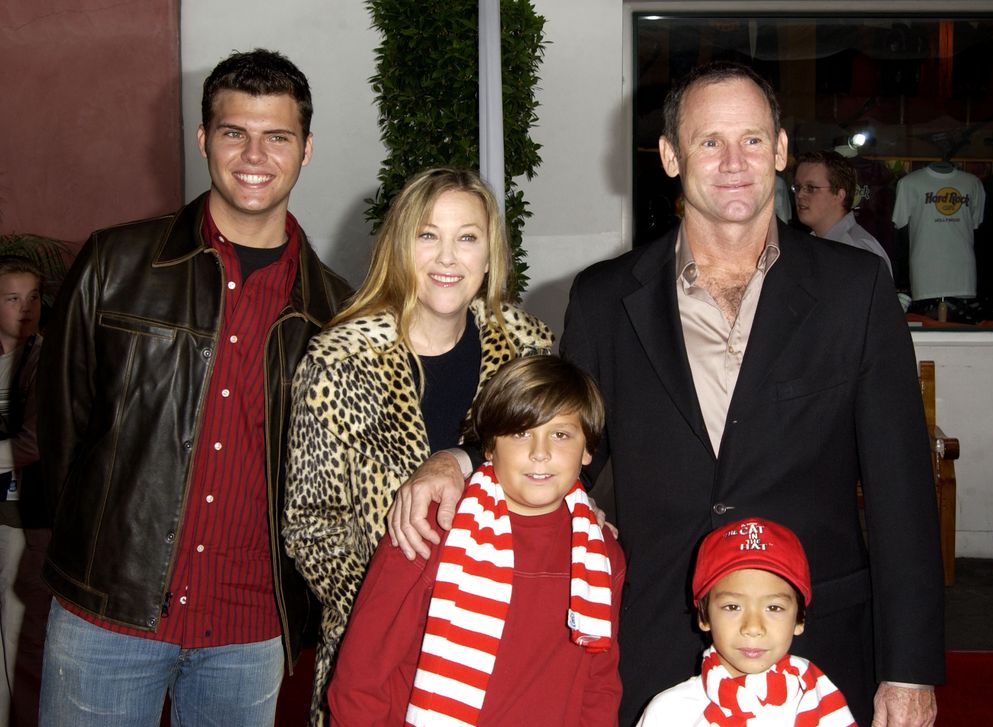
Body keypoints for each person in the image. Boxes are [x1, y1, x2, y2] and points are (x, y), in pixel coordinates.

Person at [388, 61, 945, 727]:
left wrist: (909, 667)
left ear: (782, 149)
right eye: (709, 141)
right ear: (671, 155)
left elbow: (902, 491)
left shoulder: (857, 290)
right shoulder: (605, 299)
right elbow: (565, 447)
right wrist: (460, 461)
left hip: (813, 644)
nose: (734, 161)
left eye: (753, 140)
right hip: (660, 644)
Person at [36, 49, 351, 726]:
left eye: (278, 136)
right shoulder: (114, 263)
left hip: (250, 634)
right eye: (235, 131)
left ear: (306, 149)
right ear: (205, 138)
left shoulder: (335, 311)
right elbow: (59, 430)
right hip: (108, 619)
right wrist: (100, 553)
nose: (254, 154)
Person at [283, 167, 553, 725]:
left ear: (489, 251)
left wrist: (463, 456)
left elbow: (557, 467)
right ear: (400, 246)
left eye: (467, 236)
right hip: (378, 657)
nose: (448, 258)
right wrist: (399, 613)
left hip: (505, 648)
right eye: (427, 235)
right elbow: (311, 524)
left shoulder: (529, 351)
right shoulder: (340, 360)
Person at [325, 354, 624, 726]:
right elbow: (362, 676)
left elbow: (598, 687)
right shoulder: (429, 530)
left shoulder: (599, 555)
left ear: (588, 450)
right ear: (488, 446)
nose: (540, 452)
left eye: (561, 434)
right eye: (520, 432)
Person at [637, 517, 855, 726]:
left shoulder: (821, 704)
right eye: (732, 607)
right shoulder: (669, 713)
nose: (752, 627)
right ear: (704, 616)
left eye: (774, 608)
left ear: (800, 619)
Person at [0, 257, 45, 727]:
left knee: (21, 635)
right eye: (13, 298)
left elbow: (34, 444)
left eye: (33, 297)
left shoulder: (45, 356)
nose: (25, 309)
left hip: (28, 517)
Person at [793, 150, 893, 275]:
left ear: (839, 195)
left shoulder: (858, 251)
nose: (800, 195)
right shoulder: (811, 244)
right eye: (797, 187)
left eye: (811, 188)